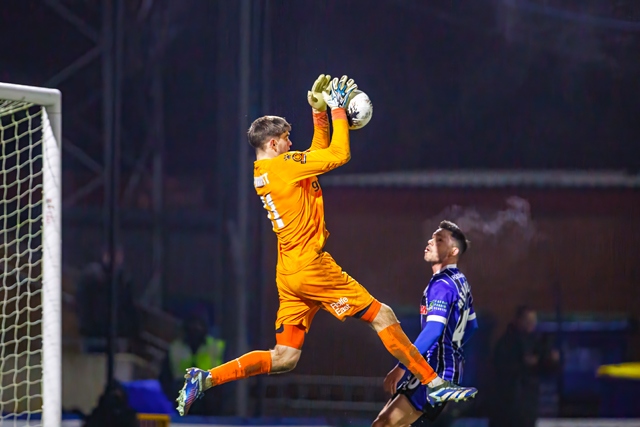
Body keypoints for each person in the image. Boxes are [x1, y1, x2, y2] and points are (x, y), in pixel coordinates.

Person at [176, 75, 477, 415]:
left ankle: (206, 379)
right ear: (273, 144)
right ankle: (434, 383)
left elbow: (317, 155)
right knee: (382, 315)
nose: (292, 145)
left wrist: (318, 114)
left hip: (288, 271)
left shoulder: (268, 170)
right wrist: (336, 107)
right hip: (311, 267)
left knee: (284, 357)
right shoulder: (284, 167)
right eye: (287, 140)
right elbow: (338, 154)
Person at [372, 221, 478, 427]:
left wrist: (402, 366)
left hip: (435, 371)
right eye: (432, 237)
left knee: (384, 424)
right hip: (443, 369)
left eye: (439, 240)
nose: (430, 242)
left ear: (453, 251)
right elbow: (472, 327)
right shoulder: (460, 281)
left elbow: (433, 330)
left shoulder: (442, 285)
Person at [490, 306, 560, 427]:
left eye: (533, 320)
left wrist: (550, 360)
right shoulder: (507, 343)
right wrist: (525, 364)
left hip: (527, 404)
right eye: (528, 320)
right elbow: (503, 368)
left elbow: (546, 367)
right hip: (509, 405)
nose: (531, 324)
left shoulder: (536, 341)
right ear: (519, 320)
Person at [159, 311, 226, 415]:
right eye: (192, 324)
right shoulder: (175, 349)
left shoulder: (215, 347)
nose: (196, 328)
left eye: (199, 324)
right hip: (181, 402)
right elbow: (165, 378)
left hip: (209, 405)